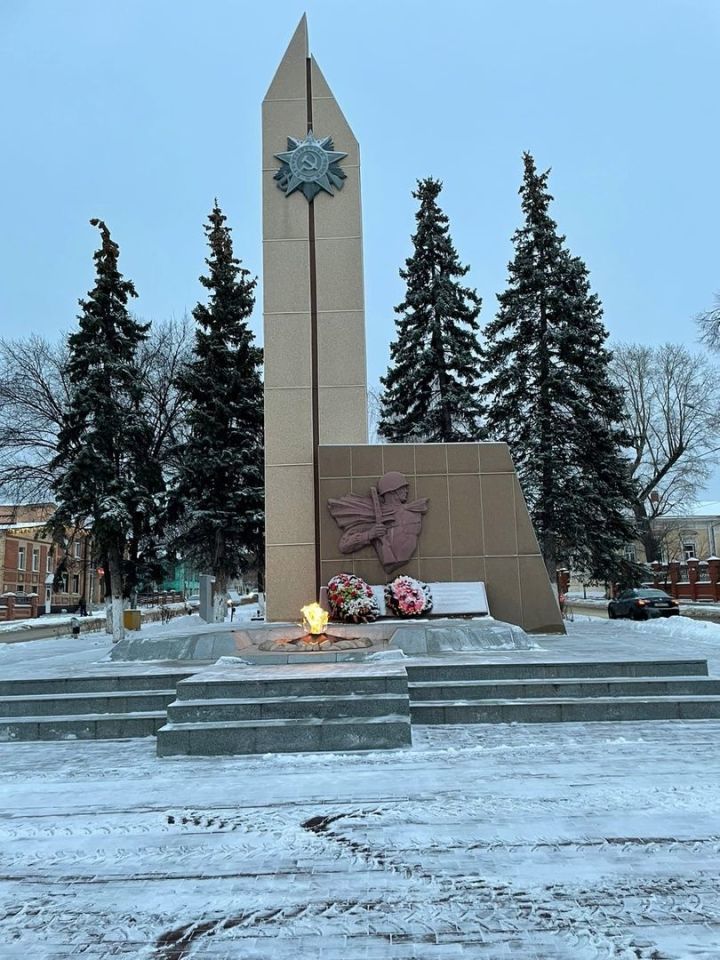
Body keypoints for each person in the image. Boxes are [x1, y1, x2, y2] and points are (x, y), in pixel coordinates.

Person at [328, 471, 429, 573]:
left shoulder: (413, 511)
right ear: (392, 491)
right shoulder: (374, 515)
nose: (406, 491)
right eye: (403, 488)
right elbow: (344, 545)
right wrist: (370, 534)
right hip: (391, 560)